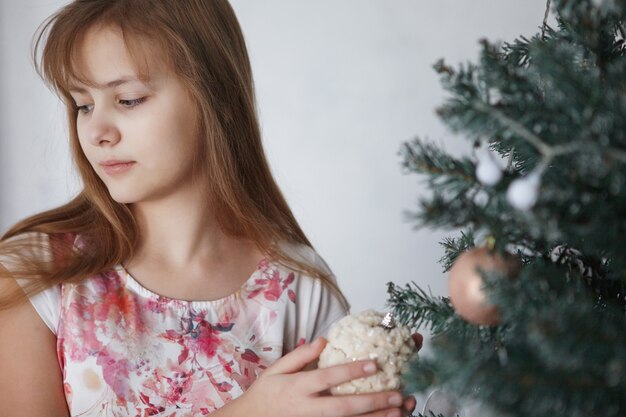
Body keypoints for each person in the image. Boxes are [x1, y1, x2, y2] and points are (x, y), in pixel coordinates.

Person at [0, 1, 420, 416]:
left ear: (218, 99)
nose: (96, 131)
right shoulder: (34, 275)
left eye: (127, 100)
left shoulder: (301, 291)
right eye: (83, 105)